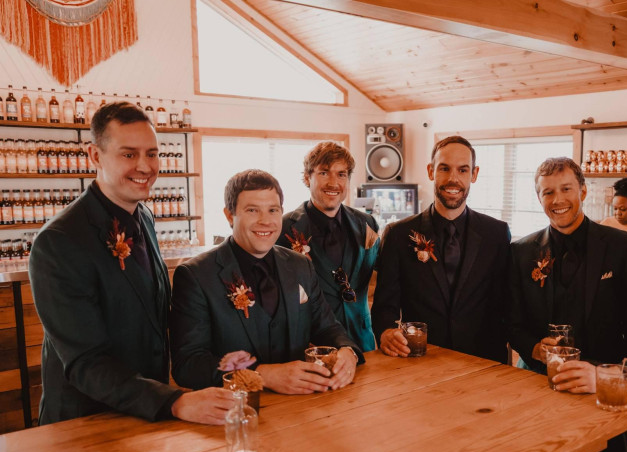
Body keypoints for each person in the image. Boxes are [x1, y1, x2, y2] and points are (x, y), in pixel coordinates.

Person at [29, 101, 234, 426]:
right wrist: (175, 401)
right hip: (86, 423)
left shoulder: (145, 218)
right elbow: (87, 362)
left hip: (144, 415)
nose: (145, 166)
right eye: (129, 154)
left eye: (152, 153)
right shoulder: (59, 241)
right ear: (95, 155)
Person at [508, 156, 627, 452]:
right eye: (547, 192)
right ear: (539, 197)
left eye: (566, 189)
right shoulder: (520, 252)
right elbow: (511, 321)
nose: (558, 200)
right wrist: (533, 347)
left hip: (600, 390)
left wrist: (608, 378)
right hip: (537, 387)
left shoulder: (621, 246)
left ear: (583, 190)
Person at [170, 169, 363, 395]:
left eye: (273, 210)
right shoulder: (196, 275)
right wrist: (263, 375)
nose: (265, 221)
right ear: (229, 215)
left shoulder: (301, 265)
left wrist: (348, 352)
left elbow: (327, 327)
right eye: (252, 210)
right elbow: (189, 365)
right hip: (233, 413)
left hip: (304, 408)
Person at [371, 135, 511, 363]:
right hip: (419, 360)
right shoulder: (397, 234)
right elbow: (385, 306)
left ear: (474, 174)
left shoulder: (496, 234)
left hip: (484, 363)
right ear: (430, 171)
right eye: (444, 169)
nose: (453, 179)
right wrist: (386, 332)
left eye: (463, 170)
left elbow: (506, 303)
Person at [277, 142, 380, 352]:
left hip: (364, 342)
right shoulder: (282, 228)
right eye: (324, 173)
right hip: (312, 347)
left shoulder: (367, 224)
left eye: (341, 174)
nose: (333, 183)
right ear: (307, 178)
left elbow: (377, 280)